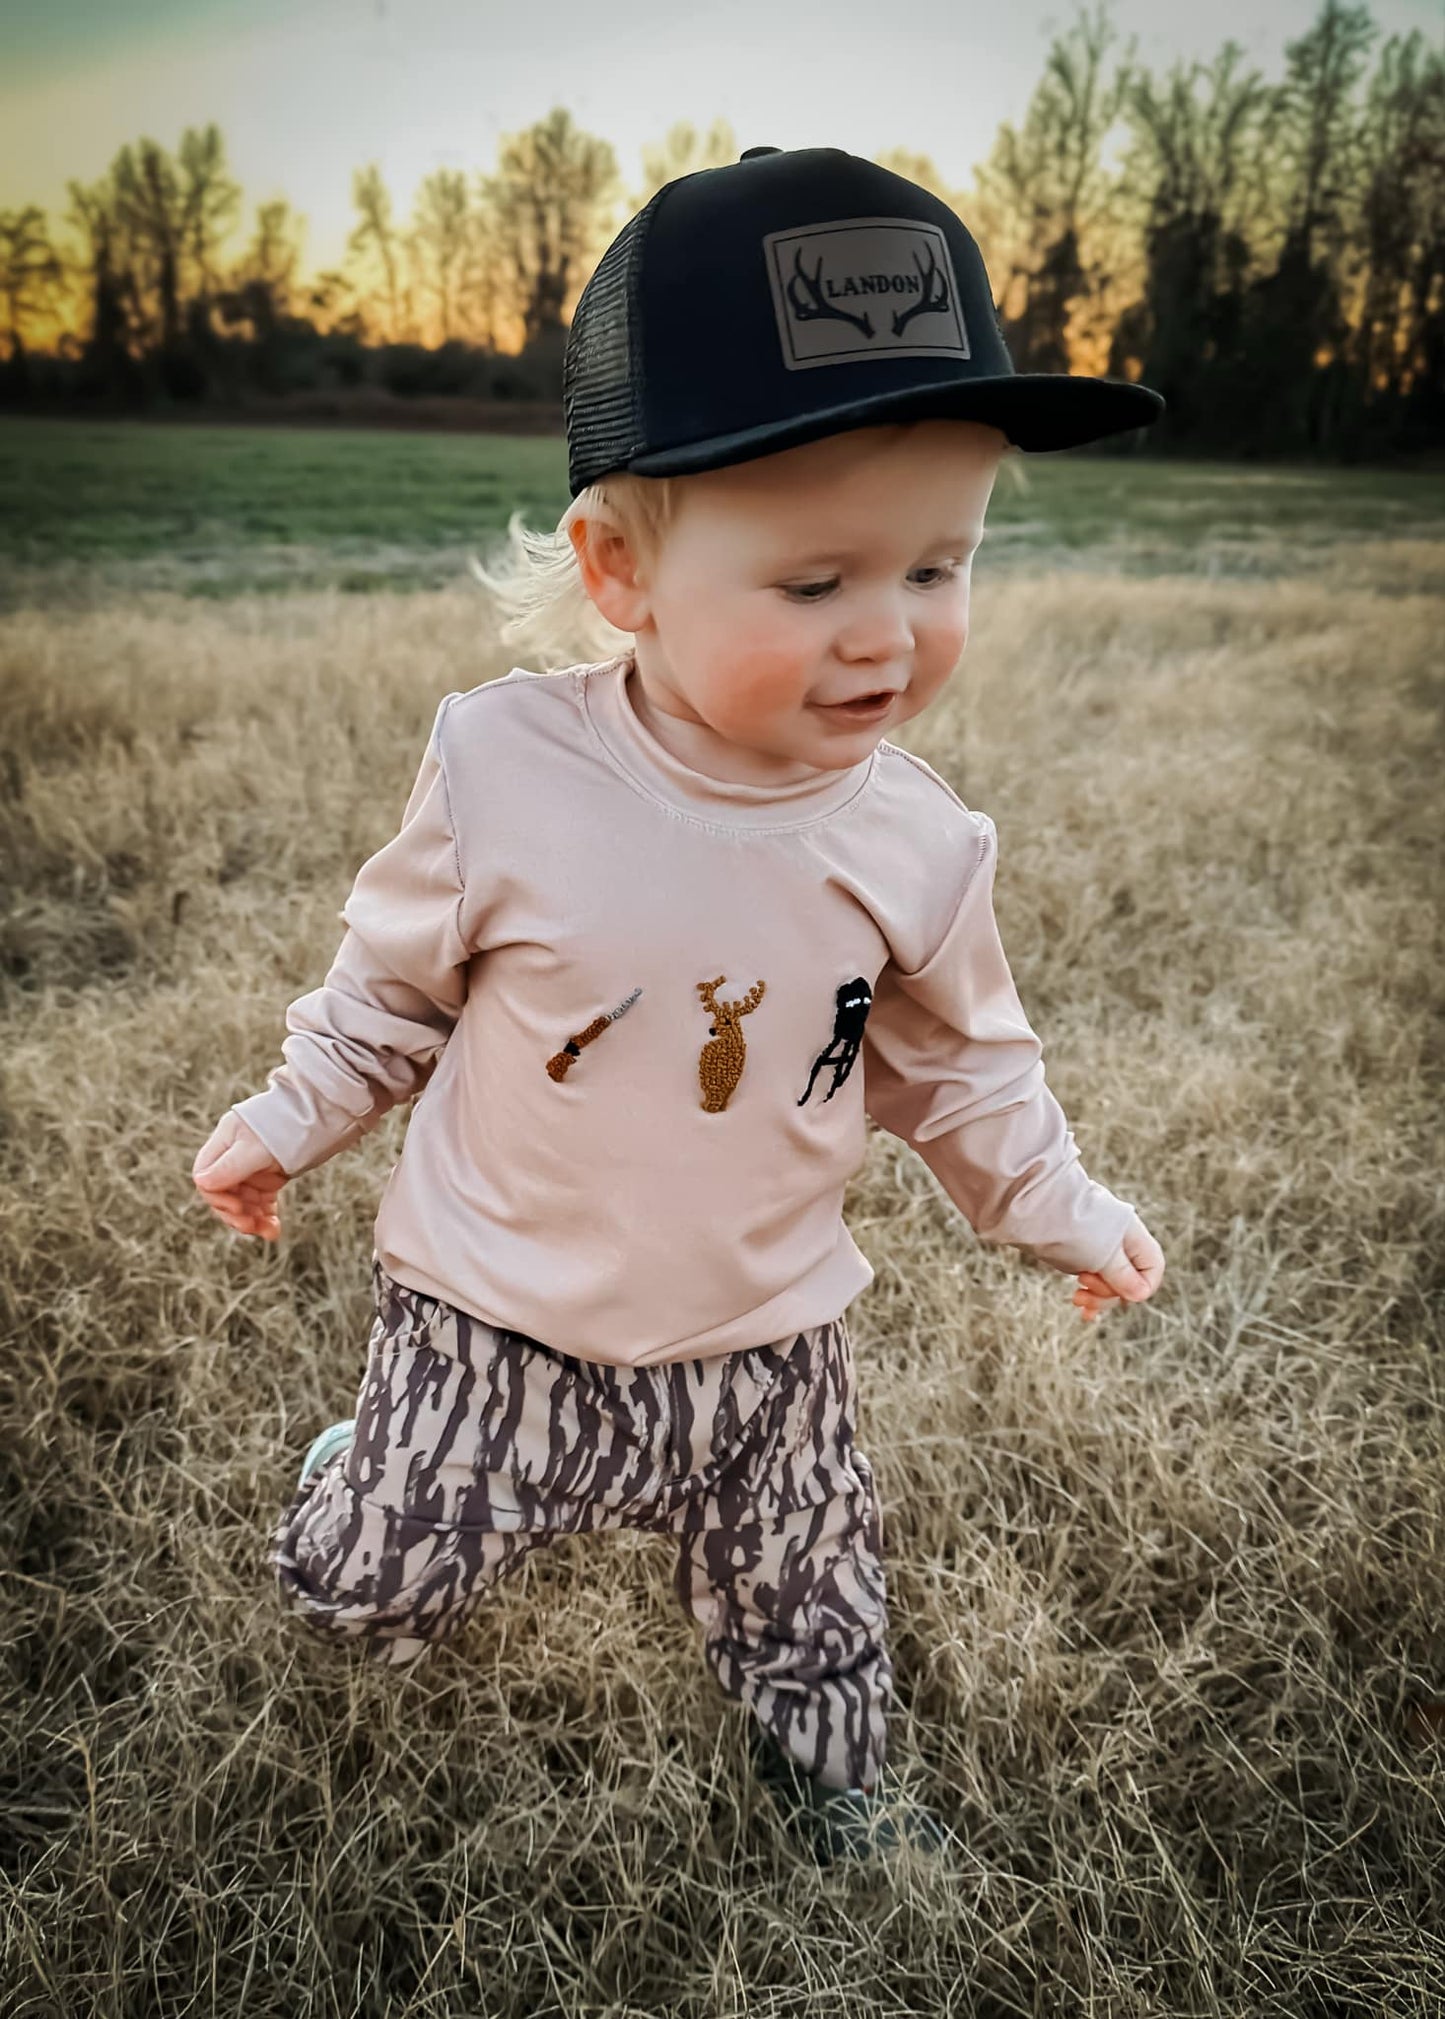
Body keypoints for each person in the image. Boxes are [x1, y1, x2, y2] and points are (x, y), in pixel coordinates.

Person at [191, 145, 1167, 1867]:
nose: (888, 636)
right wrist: (289, 1118)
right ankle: (367, 1467)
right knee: (363, 1599)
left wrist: (1063, 1209)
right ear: (618, 569)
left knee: (814, 1591)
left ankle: (835, 1774)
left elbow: (964, 1072)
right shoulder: (504, 766)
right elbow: (390, 992)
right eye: (815, 582)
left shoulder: (920, 843)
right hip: (493, 1319)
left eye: (936, 568)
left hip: (769, 1337)